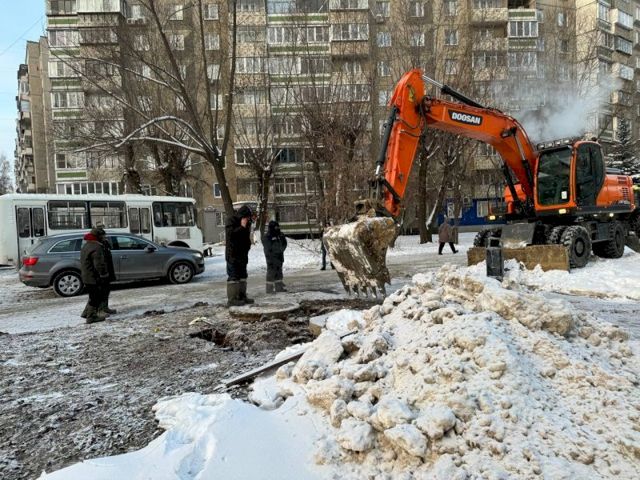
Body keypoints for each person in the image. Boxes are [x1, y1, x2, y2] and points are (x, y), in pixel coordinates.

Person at [80, 227, 110, 324]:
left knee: (93, 295)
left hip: (86, 275)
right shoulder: (97, 247)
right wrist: (104, 274)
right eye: (103, 236)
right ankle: (91, 317)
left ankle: (86, 313)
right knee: (95, 297)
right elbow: (99, 264)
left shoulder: (86, 245)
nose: (104, 237)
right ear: (98, 236)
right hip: (94, 277)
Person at [225, 205, 254, 306]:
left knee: (243, 276)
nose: (248, 219)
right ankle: (232, 299)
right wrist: (242, 227)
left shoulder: (247, 224)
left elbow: (246, 238)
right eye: (247, 217)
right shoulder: (231, 220)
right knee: (233, 277)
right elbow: (231, 236)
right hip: (233, 255)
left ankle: (242, 296)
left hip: (242, 255)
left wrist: (247, 247)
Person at [262, 220, 287, 293]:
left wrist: (281, 250)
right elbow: (267, 248)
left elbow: (284, 243)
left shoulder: (280, 235)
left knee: (279, 272)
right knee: (271, 273)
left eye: (278, 227)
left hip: (279, 257)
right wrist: (271, 256)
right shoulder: (267, 236)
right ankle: (269, 289)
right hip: (271, 258)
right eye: (276, 227)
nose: (277, 228)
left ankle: (279, 288)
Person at [99, 230, 117, 315]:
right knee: (101, 292)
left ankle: (105, 307)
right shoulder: (97, 245)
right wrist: (102, 272)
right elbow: (99, 261)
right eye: (103, 235)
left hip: (107, 270)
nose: (105, 237)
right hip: (102, 273)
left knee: (106, 290)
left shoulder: (105, 243)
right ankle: (100, 310)